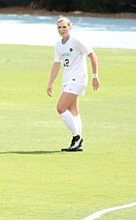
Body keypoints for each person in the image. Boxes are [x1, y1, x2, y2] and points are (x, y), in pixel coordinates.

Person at [46, 16, 100, 152]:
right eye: (59, 27)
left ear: (70, 27)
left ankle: (77, 137)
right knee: (73, 111)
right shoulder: (58, 45)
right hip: (67, 79)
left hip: (78, 79)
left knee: (60, 108)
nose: (62, 29)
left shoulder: (76, 41)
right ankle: (78, 142)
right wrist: (50, 83)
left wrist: (95, 76)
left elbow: (92, 55)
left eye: (64, 26)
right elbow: (56, 65)